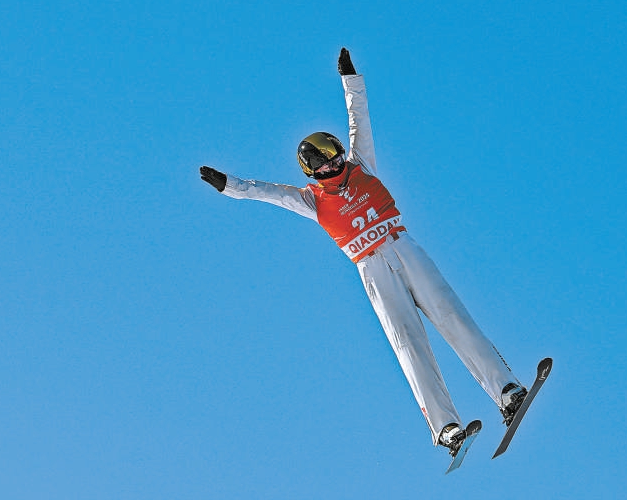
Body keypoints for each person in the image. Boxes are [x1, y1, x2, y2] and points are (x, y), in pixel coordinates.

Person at [199, 48, 527, 457]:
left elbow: (360, 119)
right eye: (321, 165)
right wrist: (228, 184)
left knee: (450, 314)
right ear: (311, 172)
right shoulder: (311, 199)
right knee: (407, 341)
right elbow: (266, 192)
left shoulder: (361, 165)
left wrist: (350, 78)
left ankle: (507, 391)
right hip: (371, 267)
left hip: (401, 245)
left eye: (333, 156)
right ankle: (445, 427)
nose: (331, 167)